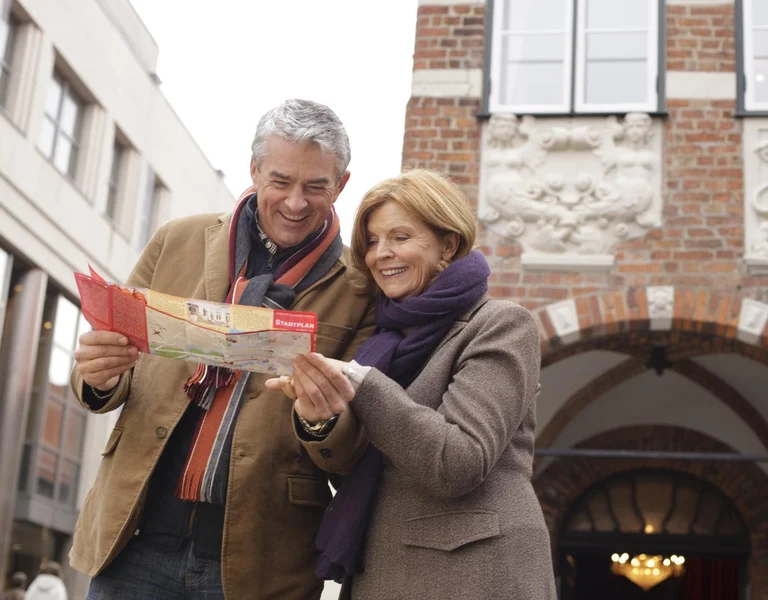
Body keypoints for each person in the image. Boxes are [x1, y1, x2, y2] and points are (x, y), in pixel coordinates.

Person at [69, 99, 375, 600]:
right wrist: (99, 375)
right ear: (253, 170)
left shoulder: (359, 287)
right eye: (280, 181)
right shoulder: (177, 239)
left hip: (260, 559)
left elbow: (351, 446)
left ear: (341, 184)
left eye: (316, 186)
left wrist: (322, 420)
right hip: (136, 539)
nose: (296, 203)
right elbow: (109, 369)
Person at [268, 169, 558, 599]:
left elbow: (458, 461)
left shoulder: (500, 324)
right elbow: (356, 467)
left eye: (400, 237)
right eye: (371, 241)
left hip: (475, 575)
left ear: (449, 243)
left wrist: (360, 382)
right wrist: (320, 418)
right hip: (383, 570)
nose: (380, 254)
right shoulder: (379, 338)